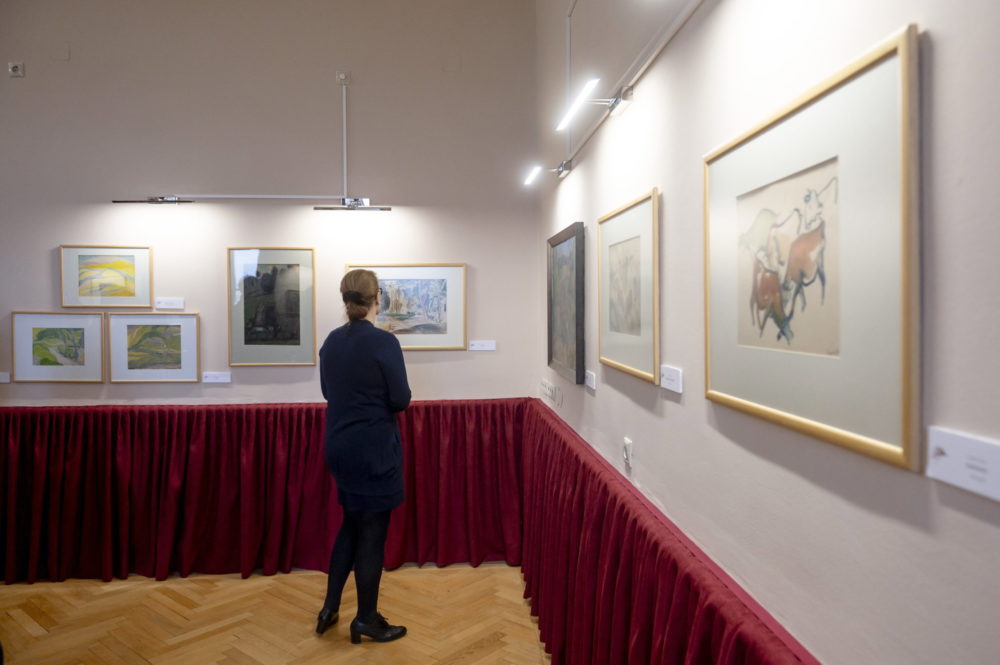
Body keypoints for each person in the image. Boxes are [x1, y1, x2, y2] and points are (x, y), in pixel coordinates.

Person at [316, 269, 411, 644]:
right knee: (372, 534)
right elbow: (400, 399)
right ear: (378, 298)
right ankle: (367, 619)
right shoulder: (384, 343)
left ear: (345, 299)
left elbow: (328, 391)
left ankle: (329, 608)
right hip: (373, 450)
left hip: (339, 446)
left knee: (351, 524)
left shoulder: (331, 341)